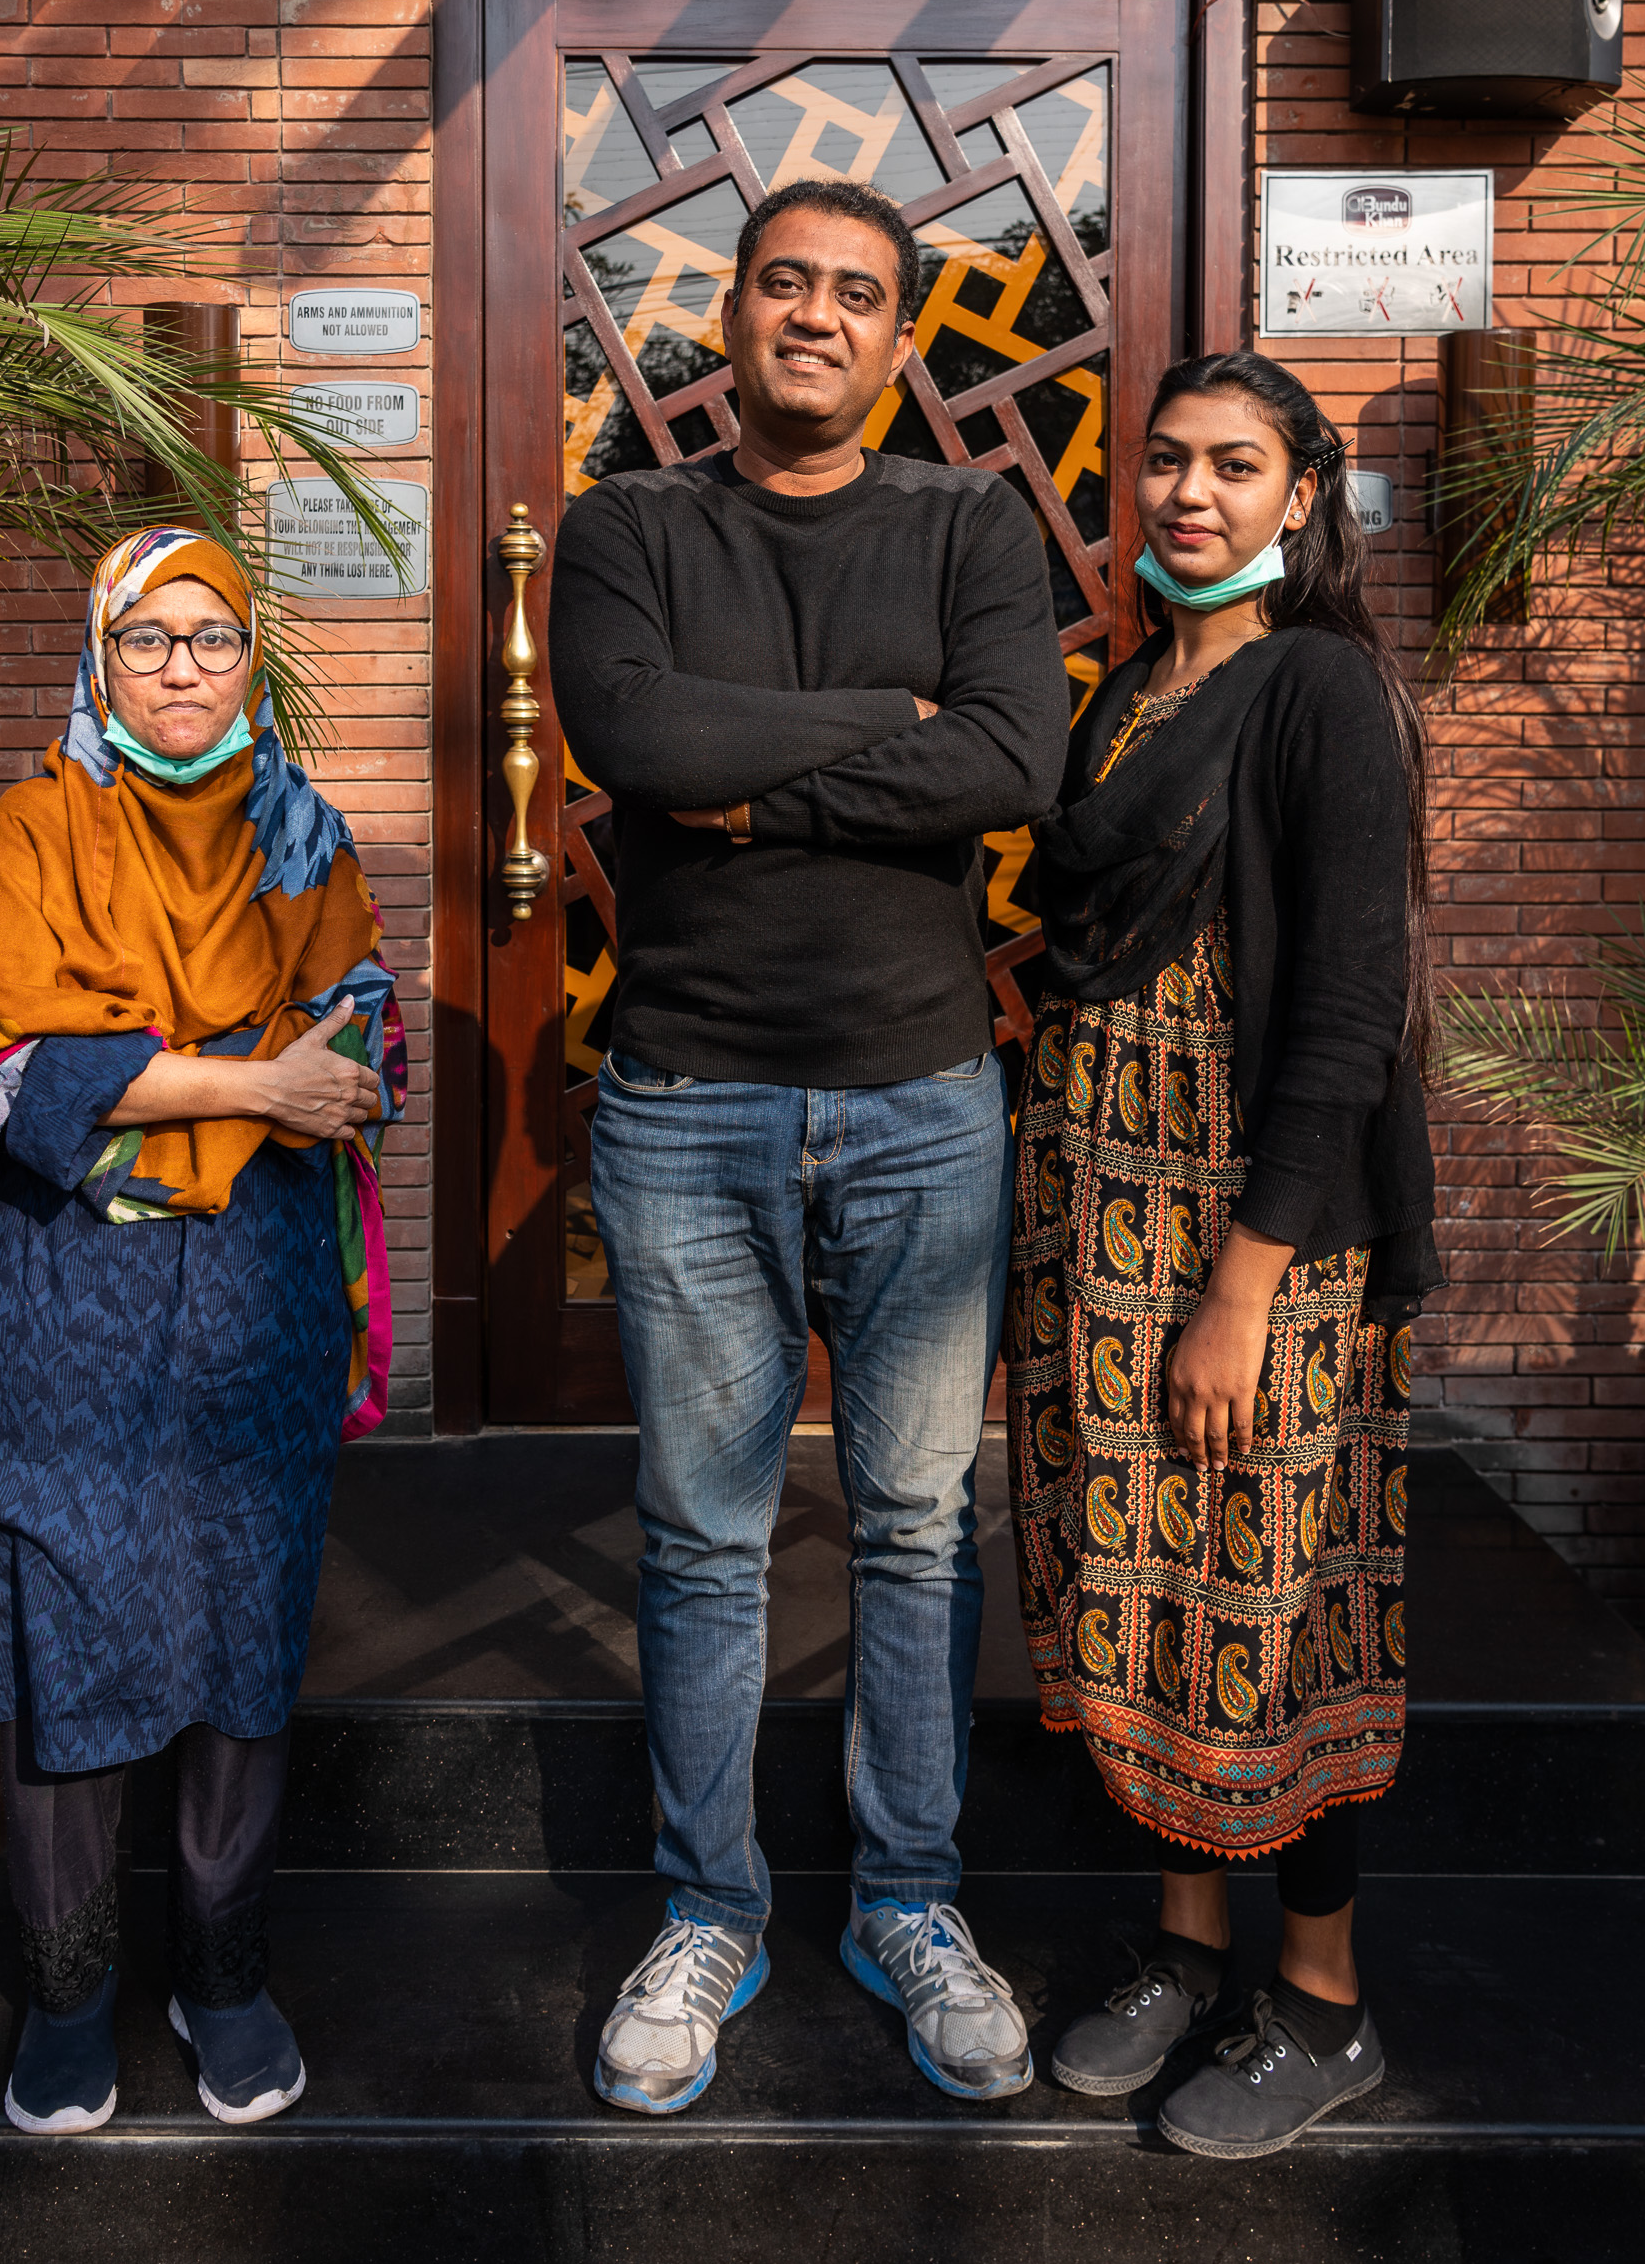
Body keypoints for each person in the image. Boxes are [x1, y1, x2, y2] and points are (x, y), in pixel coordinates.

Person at [550, 176, 1071, 2115]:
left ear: (899, 337)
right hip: (685, 1101)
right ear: (736, 309)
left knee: (921, 1529)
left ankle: (909, 1902)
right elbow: (636, 747)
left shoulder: (966, 519)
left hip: (923, 1100)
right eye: (787, 285)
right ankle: (708, 1911)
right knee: (701, 1537)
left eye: (859, 296)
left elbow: (1012, 760)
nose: (818, 319)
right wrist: (877, 727)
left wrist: (750, 771)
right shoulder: (625, 523)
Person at [1007, 350, 1437, 2160]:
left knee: (1271, 1607)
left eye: (1233, 466)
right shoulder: (1115, 704)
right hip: (1090, 1218)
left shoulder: (1320, 690)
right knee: (1136, 1594)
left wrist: (1243, 1283)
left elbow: (1345, 1011)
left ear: (1299, 493)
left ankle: (1321, 2000)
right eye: (1166, 463)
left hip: (1255, 1236)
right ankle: (1186, 1951)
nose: (1190, 493)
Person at [0, 525, 406, 2139]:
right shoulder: (36, 821)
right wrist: (246, 1082)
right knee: (68, 1625)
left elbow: (362, 1032)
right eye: (152, 640)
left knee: (237, 1622)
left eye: (213, 639)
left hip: (256, 1292)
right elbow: (0, 1058)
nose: (186, 669)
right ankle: (65, 1995)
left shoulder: (304, 830)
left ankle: (220, 1975)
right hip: (66, 1289)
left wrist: (267, 1072)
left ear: (249, 661)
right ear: (102, 655)